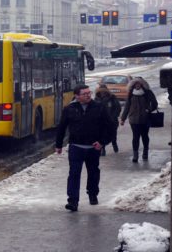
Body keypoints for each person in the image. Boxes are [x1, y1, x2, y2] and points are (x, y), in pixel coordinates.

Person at [55, 84, 113, 212]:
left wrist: (102, 143)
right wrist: (58, 145)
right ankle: (73, 201)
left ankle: (93, 194)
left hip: (93, 148)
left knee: (93, 172)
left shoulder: (99, 107)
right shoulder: (70, 109)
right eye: (84, 93)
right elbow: (62, 127)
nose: (88, 95)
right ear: (77, 96)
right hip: (76, 147)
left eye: (89, 93)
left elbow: (109, 127)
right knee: (74, 174)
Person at [120, 77, 158, 163]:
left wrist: (149, 110)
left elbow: (155, 104)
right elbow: (127, 107)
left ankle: (145, 152)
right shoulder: (131, 93)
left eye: (139, 84)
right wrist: (123, 118)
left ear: (142, 84)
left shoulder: (148, 93)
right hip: (134, 120)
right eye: (135, 84)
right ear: (133, 85)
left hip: (145, 119)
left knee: (145, 136)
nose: (137, 85)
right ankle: (135, 155)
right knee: (135, 137)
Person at [95, 84, 122, 156]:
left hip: (112, 121)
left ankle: (114, 143)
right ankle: (103, 149)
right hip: (101, 122)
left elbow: (118, 108)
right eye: (101, 92)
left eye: (103, 92)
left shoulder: (112, 98)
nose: (102, 93)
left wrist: (113, 117)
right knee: (101, 135)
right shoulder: (96, 99)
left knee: (113, 134)